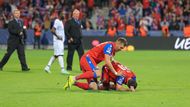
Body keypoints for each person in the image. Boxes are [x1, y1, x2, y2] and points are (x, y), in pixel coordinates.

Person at [63, 37, 127, 90]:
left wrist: (115, 62)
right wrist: (115, 73)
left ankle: (73, 82)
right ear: (118, 43)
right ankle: (73, 78)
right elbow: (107, 62)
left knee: (94, 87)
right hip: (87, 58)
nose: (120, 49)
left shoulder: (112, 50)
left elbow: (111, 60)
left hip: (89, 61)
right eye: (121, 47)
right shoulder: (109, 46)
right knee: (97, 73)